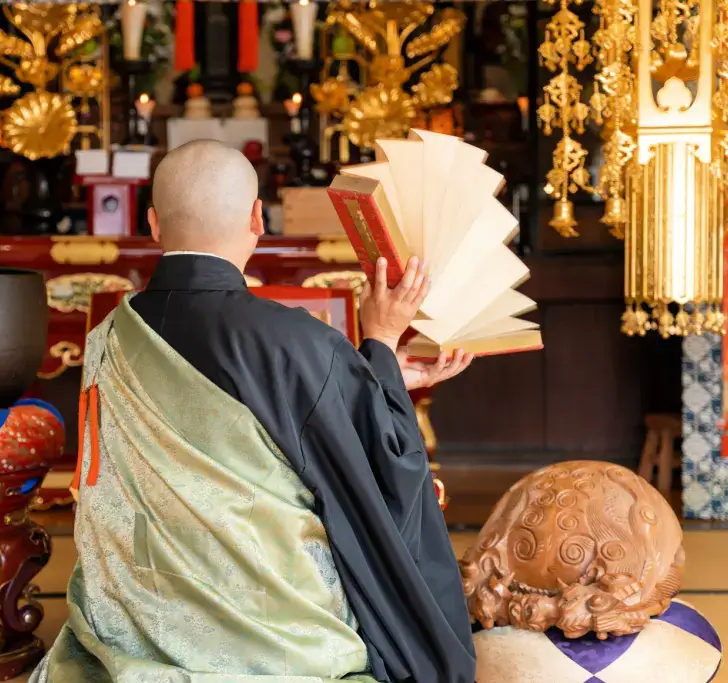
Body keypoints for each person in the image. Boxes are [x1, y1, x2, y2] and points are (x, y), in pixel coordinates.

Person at [32, 140, 477, 683]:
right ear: (256, 218)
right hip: (278, 637)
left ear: (152, 223)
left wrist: (365, 374)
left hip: (137, 622)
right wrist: (379, 342)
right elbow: (382, 469)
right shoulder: (300, 342)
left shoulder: (108, 337)